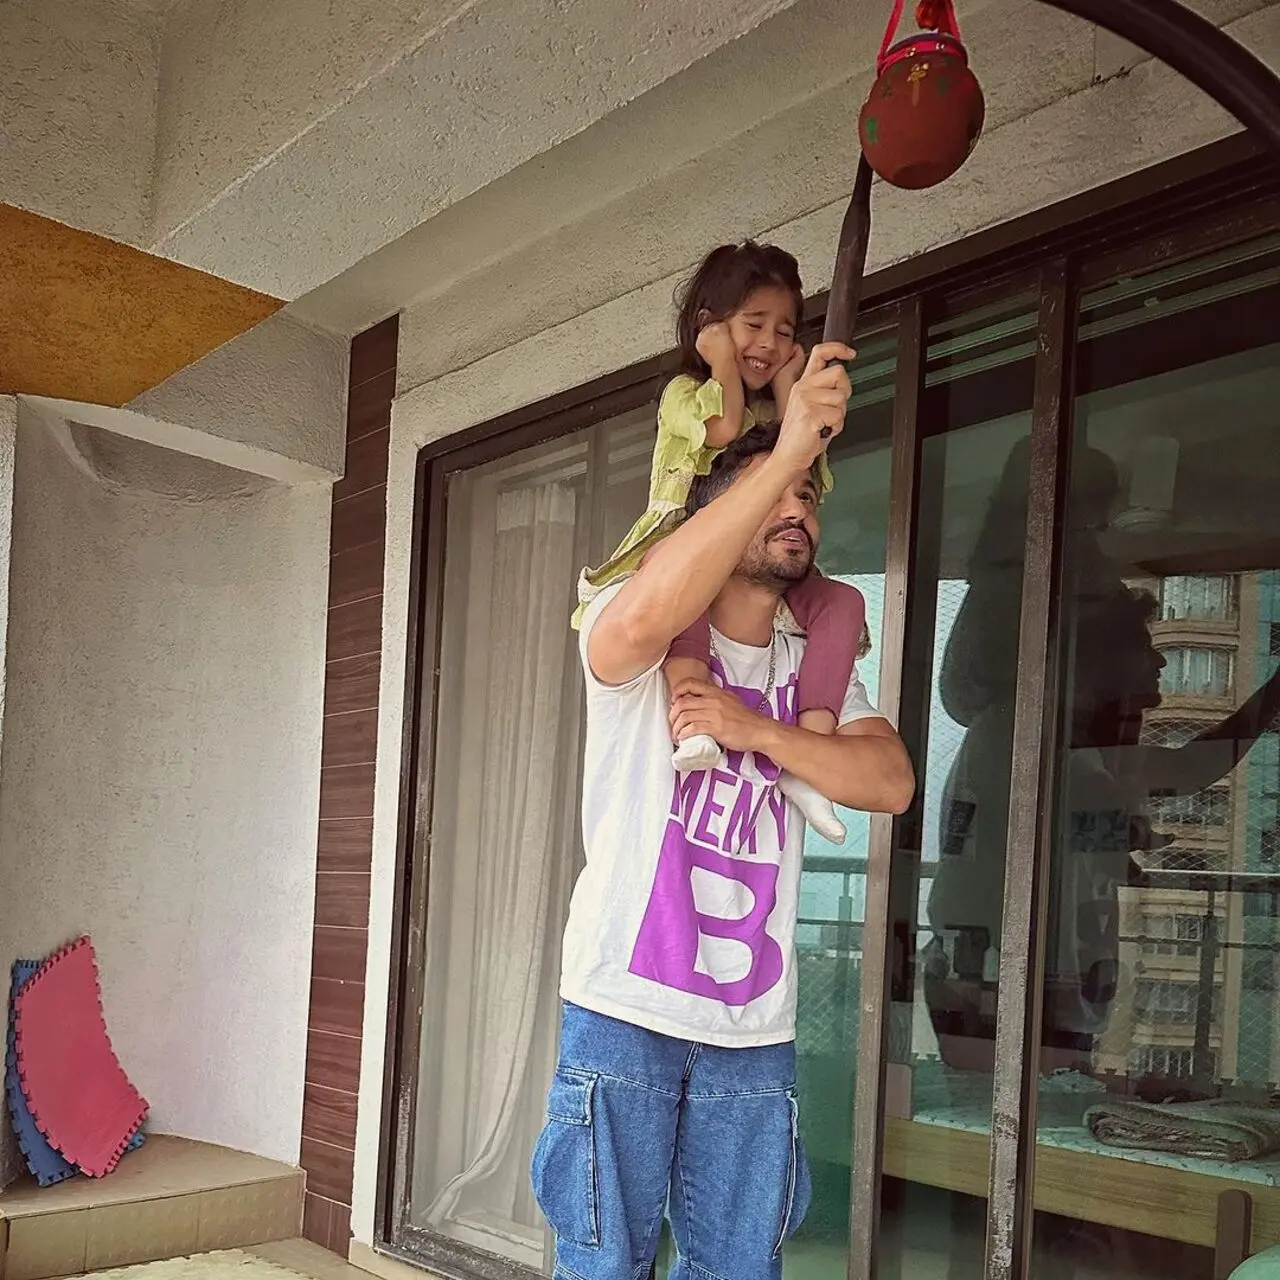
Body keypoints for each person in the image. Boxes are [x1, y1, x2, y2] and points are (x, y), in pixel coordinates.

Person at [532, 344, 914, 1280]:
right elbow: (634, 620)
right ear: (718, 518)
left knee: (741, 1270)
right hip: (624, 1008)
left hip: (753, 1031)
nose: (799, 509)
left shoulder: (814, 664)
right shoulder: (642, 630)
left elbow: (891, 783)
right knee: (602, 1268)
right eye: (779, 495)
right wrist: (784, 451)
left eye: (810, 498)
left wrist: (760, 731)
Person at [573, 242, 867, 844]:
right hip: (680, 542)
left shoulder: (773, 404)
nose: (767, 342)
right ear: (708, 324)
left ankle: (809, 759)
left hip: (744, 563)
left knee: (842, 604)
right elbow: (727, 429)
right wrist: (721, 362)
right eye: (752, 324)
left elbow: (805, 447)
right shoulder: (687, 390)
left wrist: (796, 378)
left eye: (783, 331)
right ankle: (692, 717)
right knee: (688, 609)